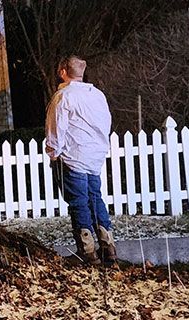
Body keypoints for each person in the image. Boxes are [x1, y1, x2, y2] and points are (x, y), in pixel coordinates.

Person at [45, 55, 117, 265]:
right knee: (95, 198)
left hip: (73, 157)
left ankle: (87, 251)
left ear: (62, 72)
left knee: (78, 202)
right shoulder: (97, 95)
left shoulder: (63, 97)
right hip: (94, 157)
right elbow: (106, 122)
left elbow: (56, 128)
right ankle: (108, 246)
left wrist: (53, 152)